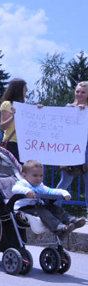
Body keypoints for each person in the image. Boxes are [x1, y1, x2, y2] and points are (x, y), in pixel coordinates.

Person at [12, 160, 85, 236]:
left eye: (41, 176)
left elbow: (50, 191)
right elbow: (15, 189)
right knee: (43, 211)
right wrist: (26, 191)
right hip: (23, 209)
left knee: (54, 208)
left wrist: (64, 193)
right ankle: (58, 228)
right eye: (35, 175)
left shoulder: (40, 186)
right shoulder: (23, 183)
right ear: (24, 175)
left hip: (36, 206)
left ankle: (71, 220)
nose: (39, 178)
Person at [56, 81, 88, 214]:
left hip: (86, 150)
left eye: (83, 92)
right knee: (65, 180)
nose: (79, 94)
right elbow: (62, 125)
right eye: (77, 91)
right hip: (71, 149)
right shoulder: (69, 107)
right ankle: (54, 207)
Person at [0, 78, 28, 161]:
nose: (27, 90)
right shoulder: (7, 104)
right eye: (25, 88)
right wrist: (13, 116)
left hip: (23, 143)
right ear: (19, 89)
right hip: (12, 143)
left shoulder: (23, 106)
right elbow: (3, 126)